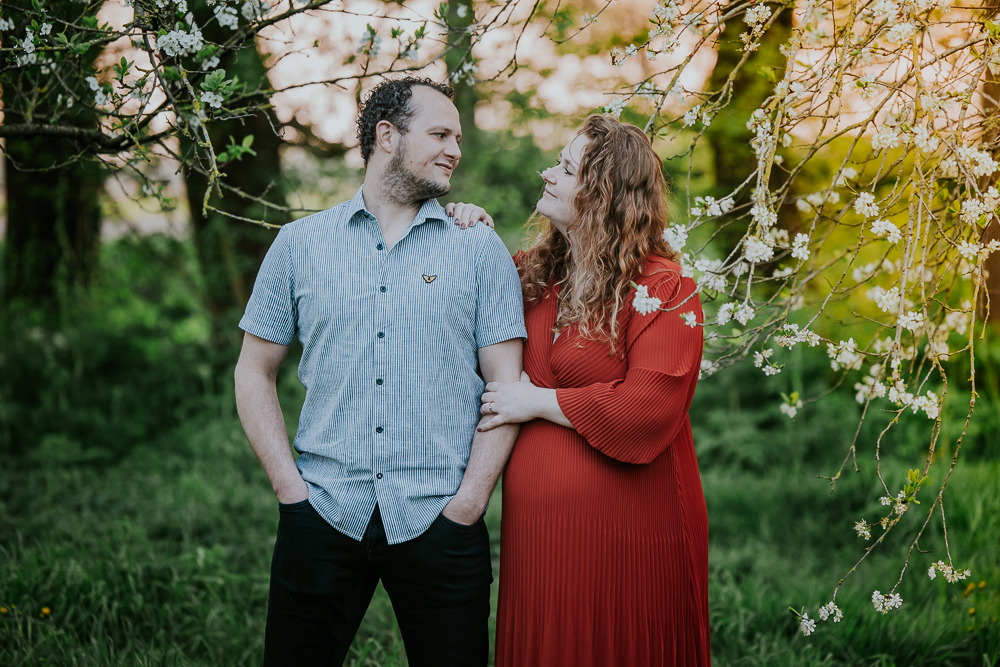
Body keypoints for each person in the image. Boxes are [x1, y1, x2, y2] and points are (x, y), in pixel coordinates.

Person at [233, 76, 526, 667]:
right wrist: (291, 491)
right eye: (440, 133)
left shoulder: (477, 247)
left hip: (440, 516)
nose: (455, 149)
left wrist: (468, 505)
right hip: (323, 510)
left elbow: (506, 387)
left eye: (459, 137)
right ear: (387, 136)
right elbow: (253, 371)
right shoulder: (299, 246)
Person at [448, 114, 710, 666]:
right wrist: (471, 230)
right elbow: (462, 303)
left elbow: (648, 410)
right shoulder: (537, 275)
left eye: (566, 169)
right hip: (540, 538)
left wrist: (538, 401)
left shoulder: (666, 289)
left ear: (603, 195)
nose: (548, 173)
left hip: (629, 536)